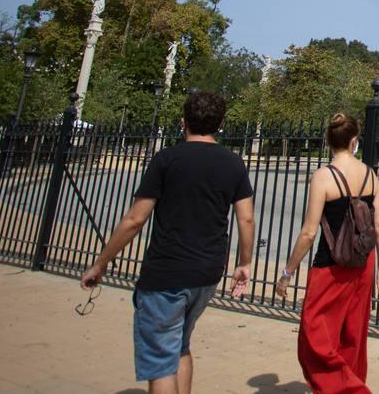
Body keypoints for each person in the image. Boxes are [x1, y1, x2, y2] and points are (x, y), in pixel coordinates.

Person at [80, 90, 256, 394]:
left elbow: (135, 220)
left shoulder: (167, 159)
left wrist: (101, 261)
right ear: (221, 123)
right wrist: (244, 263)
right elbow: (247, 220)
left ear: (183, 121)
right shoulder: (233, 164)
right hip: (207, 273)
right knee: (180, 346)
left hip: (167, 272)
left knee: (160, 360)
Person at [275, 112, 379, 394]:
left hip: (331, 264)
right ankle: (349, 383)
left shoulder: (324, 177)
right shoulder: (371, 175)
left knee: (315, 337)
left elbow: (309, 233)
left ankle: (348, 390)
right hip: (363, 263)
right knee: (352, 334)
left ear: (329, 141)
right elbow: (378, 225)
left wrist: (288, 272)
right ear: (354, 141)